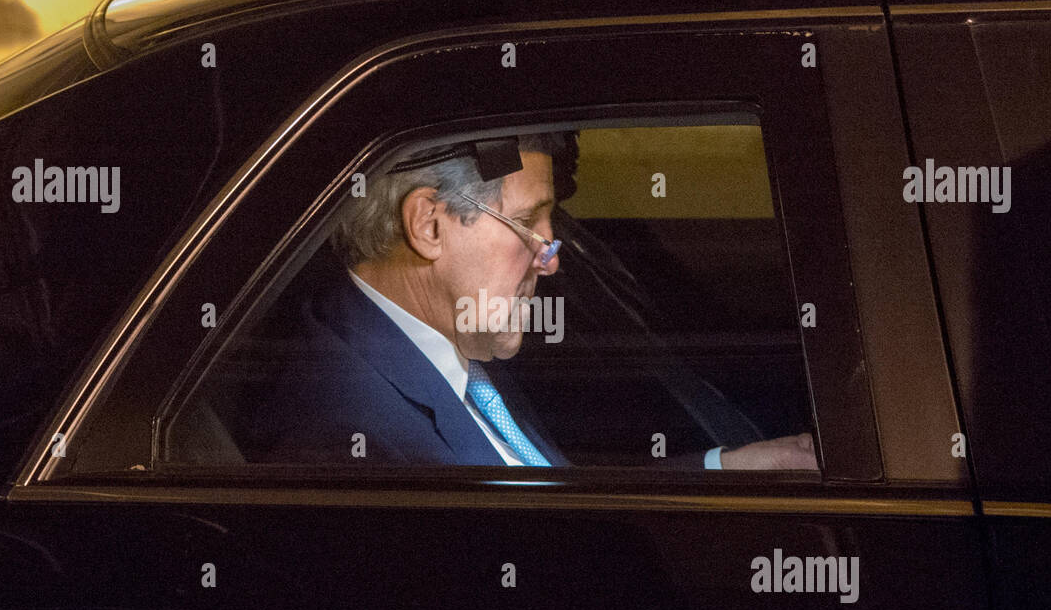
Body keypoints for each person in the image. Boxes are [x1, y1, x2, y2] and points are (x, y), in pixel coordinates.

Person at [239, 133, 816, 470]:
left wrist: (726, 469)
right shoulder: (355, 435)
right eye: (525, 224)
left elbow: (553, 496)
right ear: (430, 225)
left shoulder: (442, 342)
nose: (551, 258)